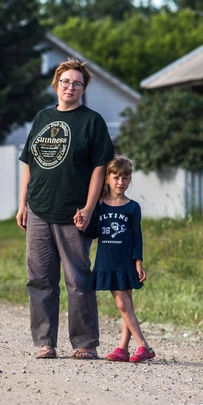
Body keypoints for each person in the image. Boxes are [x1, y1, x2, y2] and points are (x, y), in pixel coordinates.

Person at [16, 58, 114, 360]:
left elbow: (100, 167)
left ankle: (85, 343)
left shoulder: (92, 121)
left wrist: (89, 206)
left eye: (77, 83)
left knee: (78, 279)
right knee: (39, 279)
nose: (70, 87)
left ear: (83, 89)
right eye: (66, 81)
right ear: (57, 84)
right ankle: (45, 342)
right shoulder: (42, 117)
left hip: (74, 213)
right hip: (38, 209)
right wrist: (22, 204)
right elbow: (30, 163)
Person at [76, 155, 156, 363]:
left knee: (125, 304)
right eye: (116, 177)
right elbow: (92, 231)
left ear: (130, 180)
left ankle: (138, 346)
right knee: (125, 305)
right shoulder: (99, 205)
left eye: (125, 178)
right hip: (107, 261)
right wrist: (81, 224)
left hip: (126, 261)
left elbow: (137, 236)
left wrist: (138, 262)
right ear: (107, 178)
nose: (121, 183)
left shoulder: (133, 207)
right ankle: (128, 347)